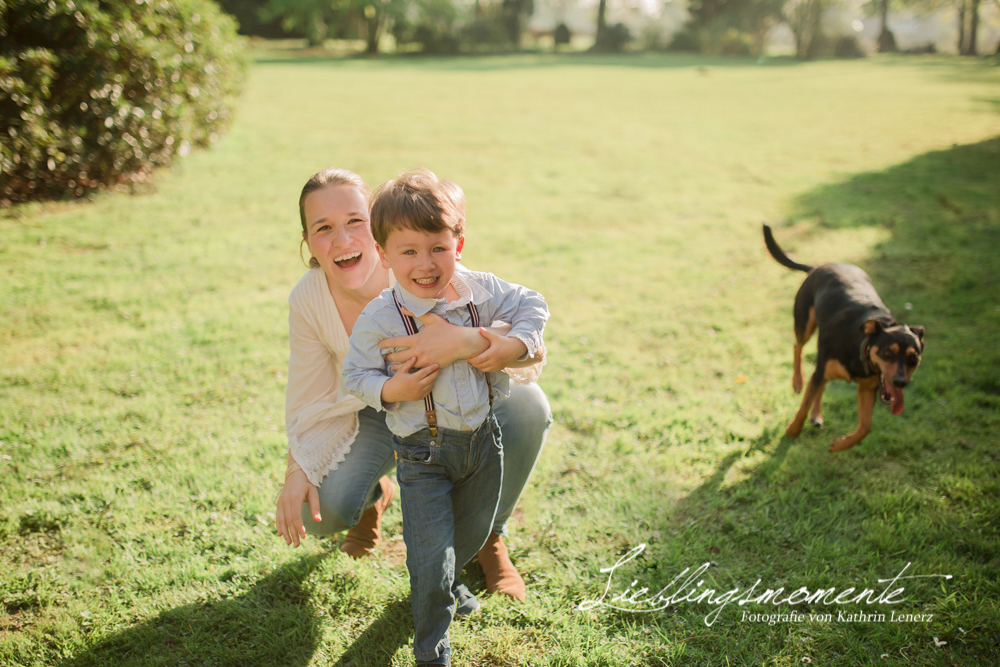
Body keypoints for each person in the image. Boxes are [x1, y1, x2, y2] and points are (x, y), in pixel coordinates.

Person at [274, 167, 551, 603]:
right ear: (307, 241)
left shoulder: (419, 264)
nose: (343, 240)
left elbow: (529, 350)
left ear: (378, 228)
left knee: (529, 406)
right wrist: (297, 469)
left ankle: (488, 537)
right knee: (323, 512)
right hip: (374, 410)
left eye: (354, 222)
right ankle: (373, 499)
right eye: (323, 228)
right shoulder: (308, 298)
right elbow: (307, 393)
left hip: (450, 405)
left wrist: (465, 341)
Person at [342, 170, 549, 667]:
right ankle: (432, 648)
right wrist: (392, 388)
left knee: (469, 533)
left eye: (437, 247)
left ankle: (455, 579)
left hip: (484, 442)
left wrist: (509, 345)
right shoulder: (380, 316)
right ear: (384, 254)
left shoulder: (482, 292)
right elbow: (354, 375)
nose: (425, 264)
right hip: (422, 453)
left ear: (458, 243)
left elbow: (533, 304)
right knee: (429, 553)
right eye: (408, 251)